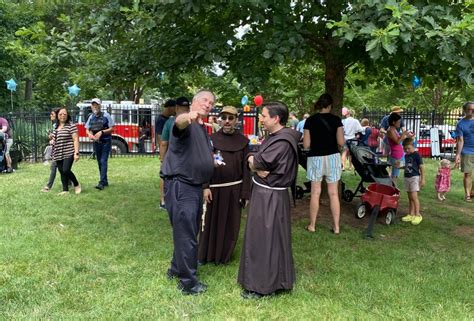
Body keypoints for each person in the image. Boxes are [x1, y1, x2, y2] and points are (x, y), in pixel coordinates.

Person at [238, 101, 301, 299]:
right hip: (269, 193)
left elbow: (259, 161)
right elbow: (255, 157)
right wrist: (254, 162)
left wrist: (253, 163)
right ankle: (276, 280)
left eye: (264, 116)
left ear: (276, 118)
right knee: (271, 238)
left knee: (265, 239)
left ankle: (262, 286)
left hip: (269, 196)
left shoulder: (282, 141)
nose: (261, 119)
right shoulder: (276, 137)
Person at [160, 89, 216, 295]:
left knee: (188, 231)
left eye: (211, 102)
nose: (208, 104)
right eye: (204, 100)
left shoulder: (201, 128)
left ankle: (176, 269)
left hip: (194, 185)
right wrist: (188, 116)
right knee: (187, 235)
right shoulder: (185, 122)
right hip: (181, 185)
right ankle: (188, 283)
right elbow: (179, 123)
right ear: (194, 102)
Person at [198, 106, 251, 265]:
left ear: (236, 120)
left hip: (234, 189)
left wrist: (245, 193)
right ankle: (205, 255)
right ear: (220, 119)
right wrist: (205, 186)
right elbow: (205, 164)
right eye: (224, 118)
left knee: (230, 223)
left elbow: (246, 170)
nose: (227, 121)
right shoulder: (211, 139)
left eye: (231, 118)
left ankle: (224, 256)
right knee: (209, 222)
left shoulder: (243, 141)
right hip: (214, 189)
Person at [303, 93, 345, 234]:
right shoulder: (336, 120)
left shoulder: (310, 120)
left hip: (315, 158)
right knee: (333, 193)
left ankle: (312, 225)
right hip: (333, 157)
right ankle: (336, 227)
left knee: (315, 193)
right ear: (330, 105)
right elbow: (341, 142)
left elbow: (307, 144)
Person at [85, 98, 115, 190]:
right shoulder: (91, 117)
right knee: (99, 162)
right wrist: (89, 134)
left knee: (103, 161)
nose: (95, 106)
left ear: (100, 105)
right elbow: (87, 128)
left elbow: (112, 128)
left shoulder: (106, 115)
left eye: (96, 104)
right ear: (91, 106)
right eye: (93, 105)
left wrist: (102, 132)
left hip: (106, 142)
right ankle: (104, 181)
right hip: (96, 143)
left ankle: (101, 183)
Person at [52, 108, 81, 195]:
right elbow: (55, 138)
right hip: (58, 152)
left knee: (65, 170)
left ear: (67, 115)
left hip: (69, 151)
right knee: (61, 172)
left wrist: (76, 153)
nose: (62, 116)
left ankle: (76, 184)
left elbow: (75, 139)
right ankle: (65, 190)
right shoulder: (56, 126)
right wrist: (52, 139)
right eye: (60, 114)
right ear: (58, 116)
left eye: (64, 114)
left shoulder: (71, 126)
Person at [400, 138, 425, 225]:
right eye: (405, 149)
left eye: (408, 148)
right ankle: (411, 213)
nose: (407, 150)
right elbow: (407, 166)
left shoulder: (417, 155)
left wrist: (422, 179)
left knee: (414, 196)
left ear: (413, 146)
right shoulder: (406, 155)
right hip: (407, 177)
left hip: (414, 177)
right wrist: (399, 167)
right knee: (410, 197)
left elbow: (421, 167)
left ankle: (418, 214)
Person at [157, 99, 177, 207]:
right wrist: (162, 156)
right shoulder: (162, 120)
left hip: (171, 152)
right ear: (170, 108)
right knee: (163, 175)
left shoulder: (167, 119)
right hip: (167, 153)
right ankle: (163, 200)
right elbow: (161, 139)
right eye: (175, 107)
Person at [160, 97, 190, 165]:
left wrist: (162, 161)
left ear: (176, 108)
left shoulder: (169, 122)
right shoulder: (193, 122)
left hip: (173, 160)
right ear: (188, 108)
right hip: (189, 159)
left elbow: (164, 144)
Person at [454, 101, 474, 202]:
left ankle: (472, 191)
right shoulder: (460, 124)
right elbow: (460, 140)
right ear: (465, 110)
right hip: (467, 151)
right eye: (470, 109)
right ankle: (467, 194)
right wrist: (458, 154)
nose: (472, 111)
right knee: (468, 173)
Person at [386, 113, 409, 184]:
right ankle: (393, 189)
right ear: (393, 122)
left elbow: (399, 139)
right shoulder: (390, 130)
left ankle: (394, 189)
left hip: (399, 154)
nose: (400, 123)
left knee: (396, 174)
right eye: (398, 122)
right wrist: (403, 134)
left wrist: (406, 135)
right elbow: (397, 142)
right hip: (396, 155)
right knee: (394, 175)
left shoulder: (394, 129)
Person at [42, 108, 61, 192]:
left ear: (56, 115)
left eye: (52, 114)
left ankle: (48, 186)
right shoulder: (54, 125)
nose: (50, 116)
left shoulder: (60, 125)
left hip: (61, 149)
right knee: (63, 168)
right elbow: (55, 136)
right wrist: (51, 137)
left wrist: (53, 138)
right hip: (56, 148)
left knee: (54, 166)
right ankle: (70, 182)